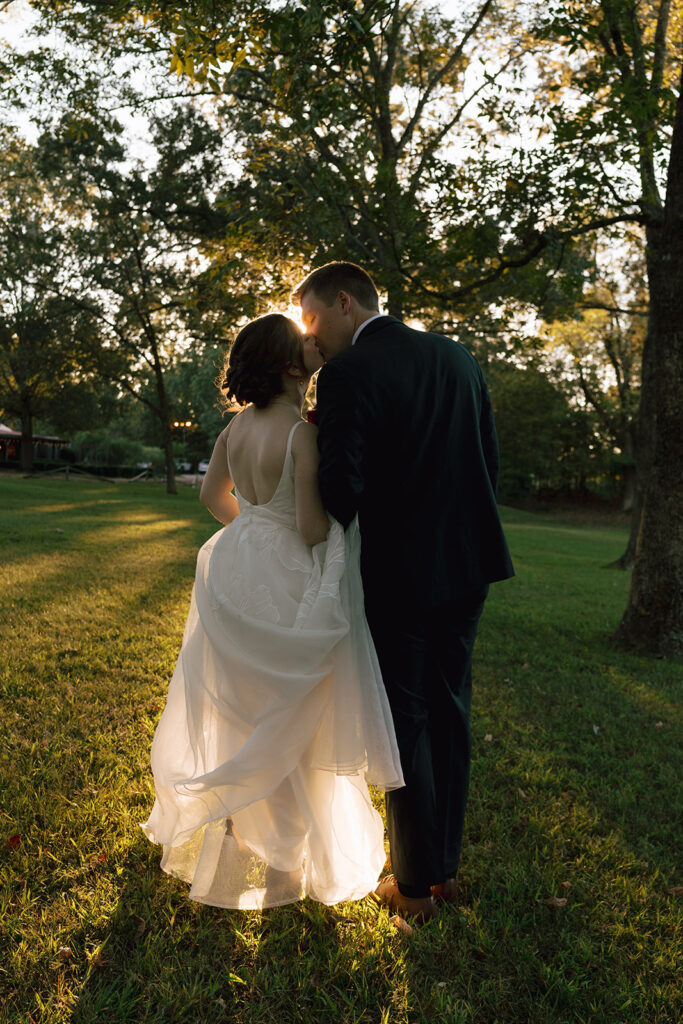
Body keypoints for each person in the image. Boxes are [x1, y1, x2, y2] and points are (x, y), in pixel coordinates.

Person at [140, 313, 403, 909]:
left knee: (245, 710)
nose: (316, 346)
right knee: (294, 717)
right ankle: (285, 870)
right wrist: (321, 532)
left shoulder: (234, 431)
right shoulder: (301, 434)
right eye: (306, 343)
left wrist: (254, 529)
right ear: (290, 365)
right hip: (287, 575)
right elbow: (312, 526)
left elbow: (212, 496)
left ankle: (244, 835)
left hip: (238, 567)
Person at [292, 263, 514, 922]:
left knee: (408, 721)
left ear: (342, 303)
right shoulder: (458, 358)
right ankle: (442, 870)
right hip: (469, 563)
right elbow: (487, 461)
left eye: (310, 317)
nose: (312, 334)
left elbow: (341, 489)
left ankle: (413, 888)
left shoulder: (348, 375)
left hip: (399, 573)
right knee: (449, 712)